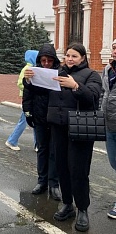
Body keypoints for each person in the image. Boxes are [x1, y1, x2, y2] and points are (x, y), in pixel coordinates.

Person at [48, 42, 101, 232]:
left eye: (74, 56)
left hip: (81, 130)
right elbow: (43, 94)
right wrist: (31, 80)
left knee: (78, 171)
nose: (70, 59)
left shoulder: (92, 75)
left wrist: (75, 86)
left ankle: (83, 209)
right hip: (59, 128)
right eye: (68, 55)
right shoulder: (57, 72)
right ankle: (68, 204)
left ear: (83, 58)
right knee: (62, 168)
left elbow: (93, 97)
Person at [22, 44, 61, 201]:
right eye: (43, 60)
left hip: (55, 119)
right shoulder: (33, 73)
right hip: (39, 118)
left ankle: (54, 184)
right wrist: (28, 113)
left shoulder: (60, 73)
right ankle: (42, 181)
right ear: (39, 60)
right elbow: (27, 95)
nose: (46, 63)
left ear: (54, 61)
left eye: (49, 61)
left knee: (54, 151)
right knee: (42, 149)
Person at [5, 50, 38, 151]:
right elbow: (20, 83)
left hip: (32, 99)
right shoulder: (27, 69)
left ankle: (38, 144)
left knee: (36, 121)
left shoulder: (34, 68)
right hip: (27, 100)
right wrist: (29, 88)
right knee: (24, 121)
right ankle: (11, 141)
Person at [100, 39, 116, 219]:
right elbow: (104, 93)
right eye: (114, 47)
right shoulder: (107, 69)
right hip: (109, 125)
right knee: (114, 163)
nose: (115, 50)